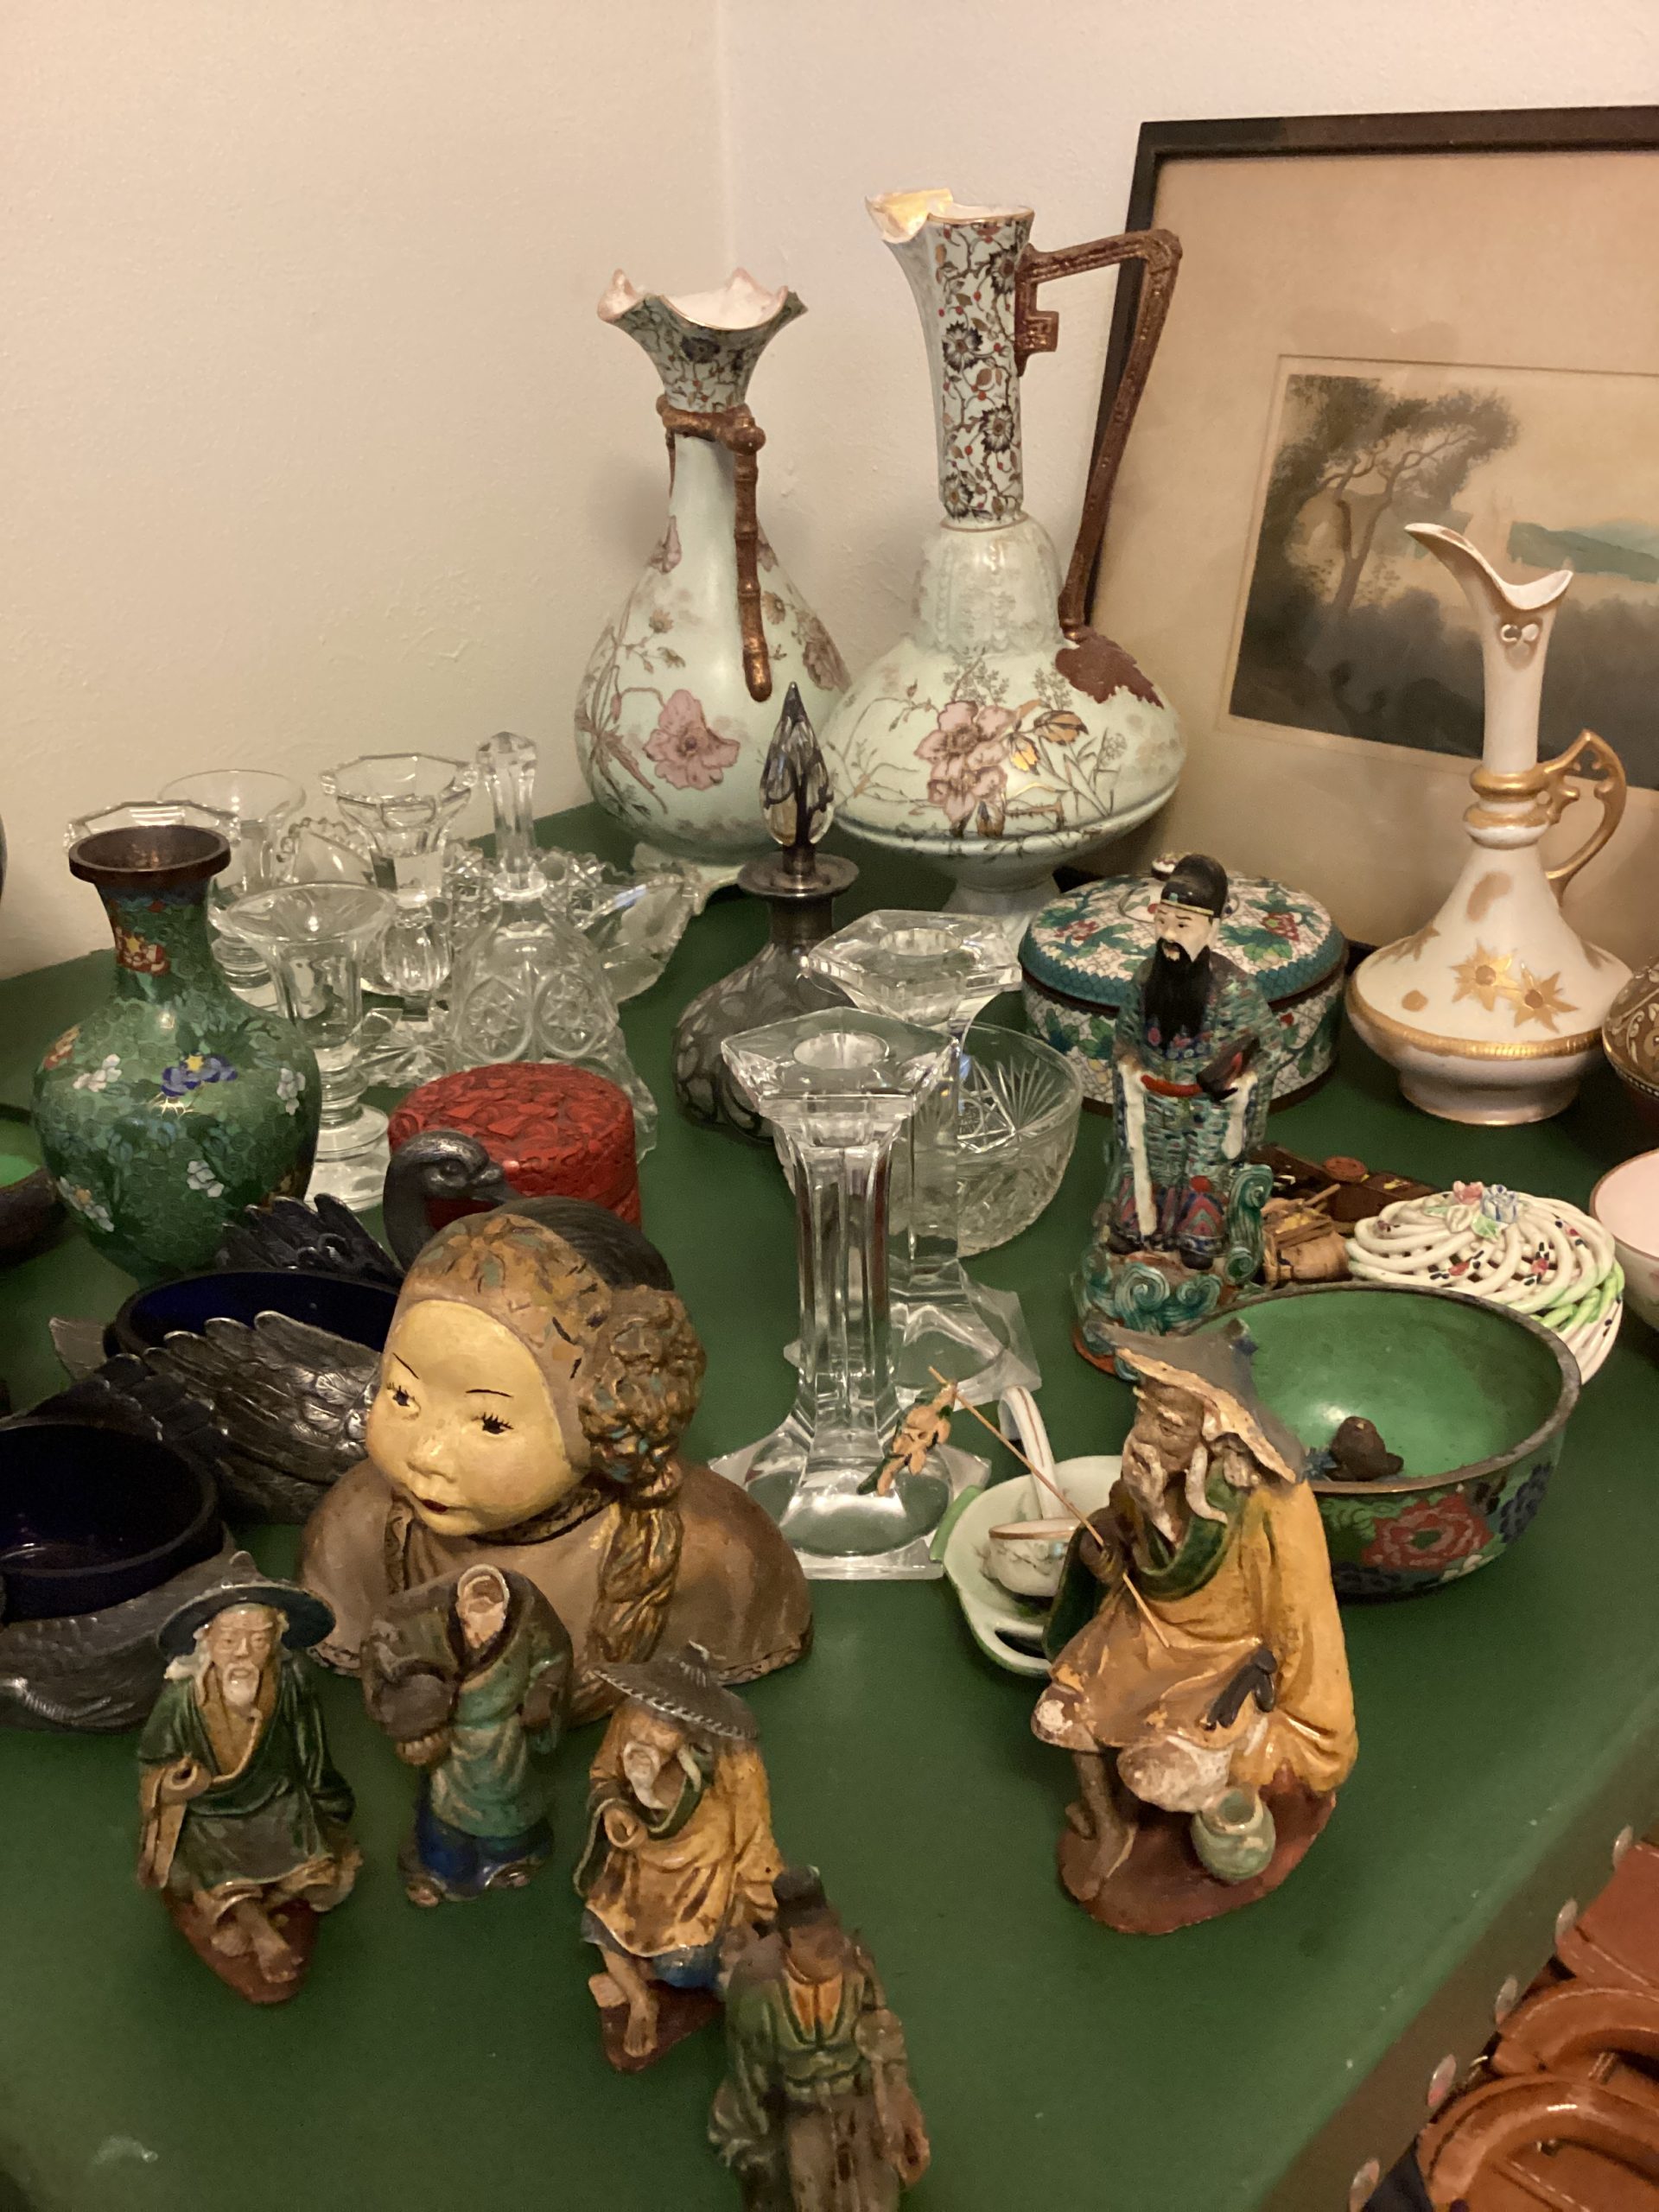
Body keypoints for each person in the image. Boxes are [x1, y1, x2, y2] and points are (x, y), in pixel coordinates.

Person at [299, 1210, 811, 1717]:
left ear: (602, 1418)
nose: (424, 1453)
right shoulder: (357, 1529)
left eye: (491, 1423)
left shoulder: (712, 1555)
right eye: (402, 1395)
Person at [1033, 1323, 1356, 1932]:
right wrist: (1109, 1550)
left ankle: (1210, 1821)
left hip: (1225, 1659)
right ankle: (1107, 1826)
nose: (1144, 1435)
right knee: (1060, 1713)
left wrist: (1298, 1716)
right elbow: (1124, 1539)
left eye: (1168, 1425)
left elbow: (1298, 1617)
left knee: (1153, 1774)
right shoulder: (1150, 1471)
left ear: (1213, 1435)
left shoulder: (1268, 1506)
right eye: (1143, 1414)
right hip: (1148, 1629)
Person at [137, 1554, 358, 1999]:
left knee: (318, 1870)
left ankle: (251, 1913)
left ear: (277, 1639)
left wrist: (329, 1799)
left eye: (258, 1640)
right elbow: (152, 1760)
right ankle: (262, 1931)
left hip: (279, 1799)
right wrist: (173, 1786)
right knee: (205, 1856)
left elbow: (310, 1749)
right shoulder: (181, 1701)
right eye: (229, 1639)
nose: (242, 1653)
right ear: (205, 1638)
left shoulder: (290, 1683)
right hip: (210, 1810)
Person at [574, 1645, 780, 2063]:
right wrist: (614, 1809)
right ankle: (640, 1999)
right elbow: (604, 1773)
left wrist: (756, 1903)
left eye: (665, 1727)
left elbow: (754, 1834)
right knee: (599, 1928)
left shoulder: (734, 1759)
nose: (646, 1737)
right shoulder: (630, 1718)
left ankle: (648, 1974)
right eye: (646, 1718)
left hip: (700, 1882)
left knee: (685, 1967)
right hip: (636, 1863)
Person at [1095, 854, 1281, 1274]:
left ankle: (1198, 1237)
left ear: (1212, 929)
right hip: (1151, 1098)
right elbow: (1125, 1037)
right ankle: (1138, 1228)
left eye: (1183, 925)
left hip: (1208, 1108)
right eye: (1162, 922)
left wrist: (1238, 1082)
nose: (1168, 935)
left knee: (1202, 1172)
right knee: (1145, 1163)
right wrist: (1131, 1068)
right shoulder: (1146, 978)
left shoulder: (1233, 989)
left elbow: (1267, 1046)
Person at [710, 1869, 930, 2211]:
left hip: (855, 2099)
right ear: (786, 1942)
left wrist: (898, 2100)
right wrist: (763, 2135)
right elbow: (749, 2067)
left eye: (831, 1930)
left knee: (875, 2198)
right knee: (811, 2193)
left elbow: (883, 2038)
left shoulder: (857, 1971)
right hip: (800, 2109)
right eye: (808, 1936)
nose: (826, 1944)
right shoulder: (759, 1989)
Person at [361, 1561, 571, 1904]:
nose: (477, 1638)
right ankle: (443, 1871)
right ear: (460, 1607)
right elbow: (388, 1660)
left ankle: (511, 1858)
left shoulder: (528, 1616)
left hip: (503, 1740)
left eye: (488, 1631)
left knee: (509, 1818)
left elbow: (553, 1658)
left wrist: (543, 1693)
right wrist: (416, 1720)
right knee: (444, 1825)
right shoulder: (425, 1621)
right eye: (471, 1626)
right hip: (452, 1742)